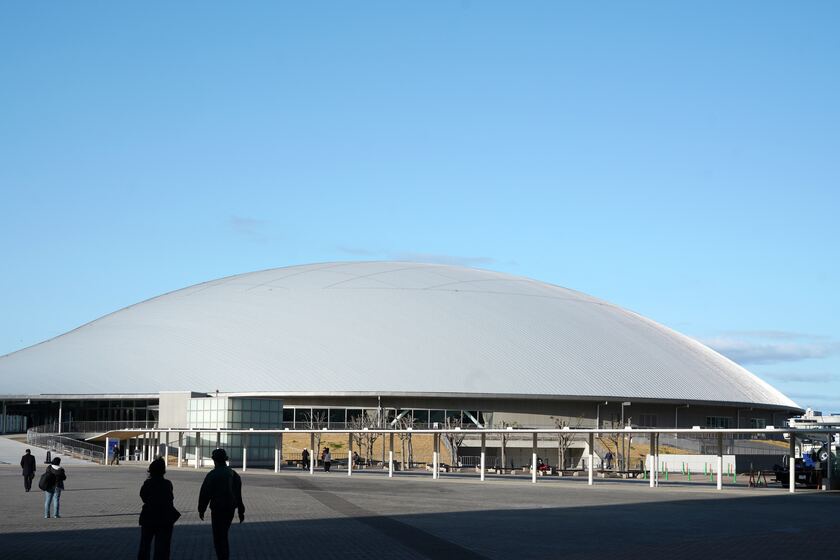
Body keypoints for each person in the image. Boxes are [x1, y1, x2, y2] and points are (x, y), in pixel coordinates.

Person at [198, 449, 245, 560]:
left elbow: (205, 493)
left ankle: (222, 557)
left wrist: (201, 509)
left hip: (218, 509)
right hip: (230, 509)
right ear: (225, 460)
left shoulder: (212, 475)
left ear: (214, 460)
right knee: (223, 534)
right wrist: (241, 511)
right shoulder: (234, 474)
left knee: (219, 537)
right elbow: (238, 495)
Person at [138, 457, 179, 560]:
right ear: (163, 471)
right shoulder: (167, 484)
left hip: (149, 517)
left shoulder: (148, 483)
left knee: (145, 546)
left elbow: (143, 496)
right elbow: (170, 498)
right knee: (163, 548)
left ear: (150, 471)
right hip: (165, 518)